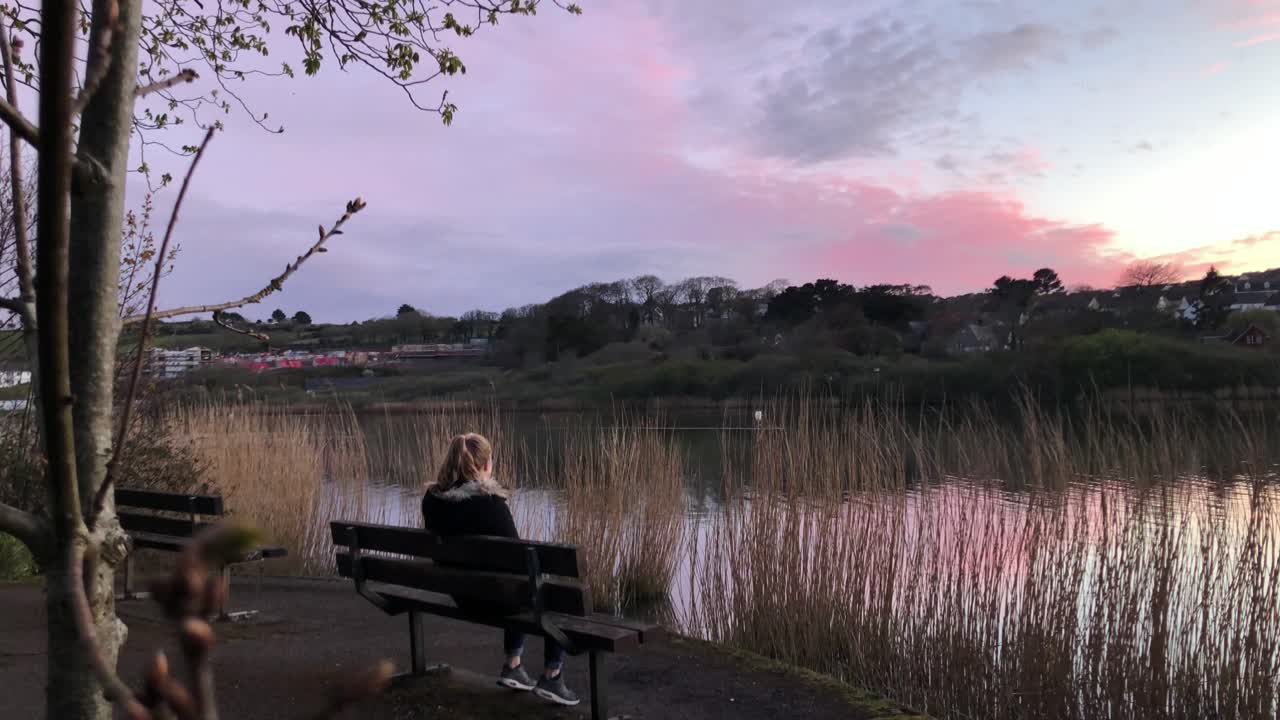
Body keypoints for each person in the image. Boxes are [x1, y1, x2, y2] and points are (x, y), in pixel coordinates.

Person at [421, 433, 579, 707]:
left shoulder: (432, 501)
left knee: (515, 585)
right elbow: (519, 561)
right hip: (493, 600)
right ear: (484, 466)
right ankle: (552, 674)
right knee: (549, 591)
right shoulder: (492, 506)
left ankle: (514, 666)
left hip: (461, 595)